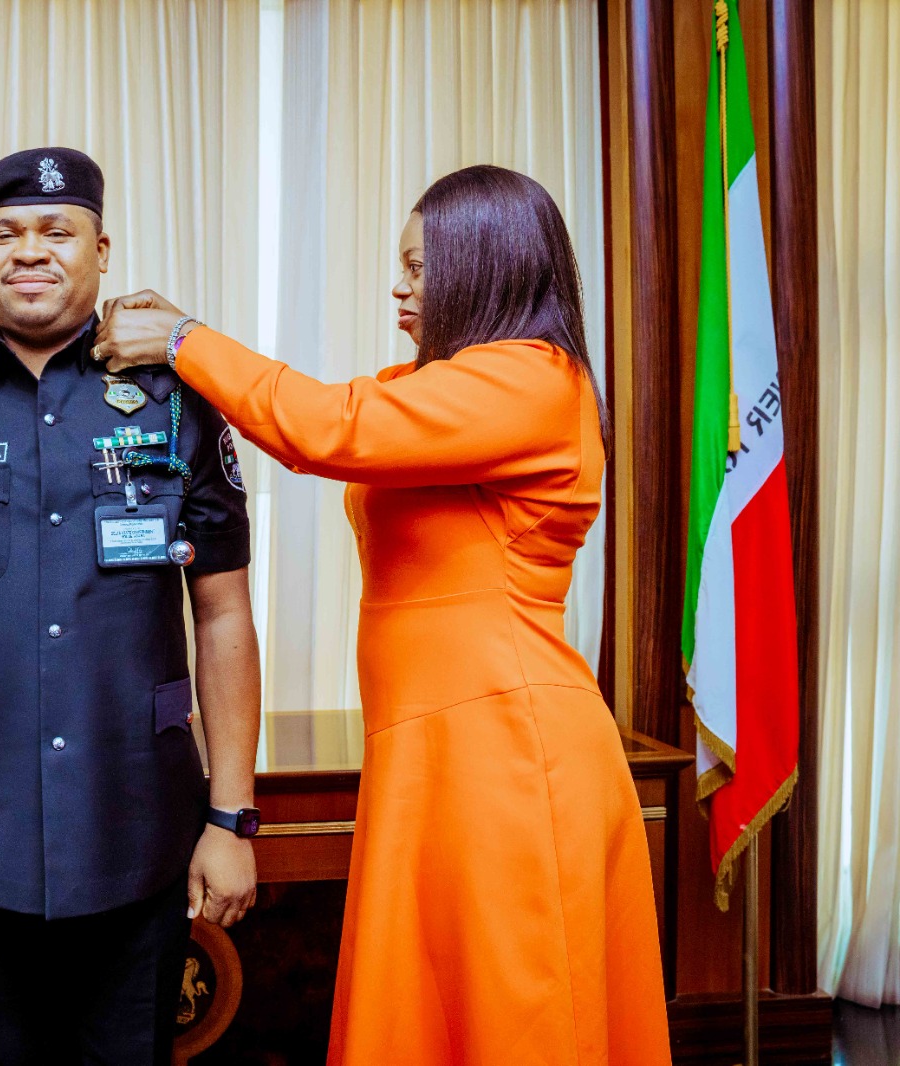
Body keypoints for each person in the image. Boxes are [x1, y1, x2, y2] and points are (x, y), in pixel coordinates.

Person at [92, 164, 672, 1065]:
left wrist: (185, 336)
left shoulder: (531, 380)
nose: (399, 286)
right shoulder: (448, 383)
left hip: (507, 752)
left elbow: (330, 426)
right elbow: (318, 414)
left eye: (420, 265)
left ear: (487, 267)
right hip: (435, 750)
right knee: (434, 1018)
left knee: (517, 1018)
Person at [0, 147, 262, 1066]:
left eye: (55, 230)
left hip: (141, 834)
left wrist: (231, 821)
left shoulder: (178, 404)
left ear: (101, 250)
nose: (29, 250)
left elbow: (224, 613)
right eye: (4, 234)